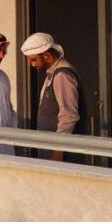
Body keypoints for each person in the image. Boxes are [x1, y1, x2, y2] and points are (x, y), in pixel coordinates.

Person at [21, 32, 86, 161]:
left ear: (46, 55)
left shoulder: (62, 75)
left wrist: (58, 151)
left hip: (61, 155)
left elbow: (68, 116)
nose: (31, 64)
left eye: (33, 59)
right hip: (51, 149)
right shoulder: (52, 73)